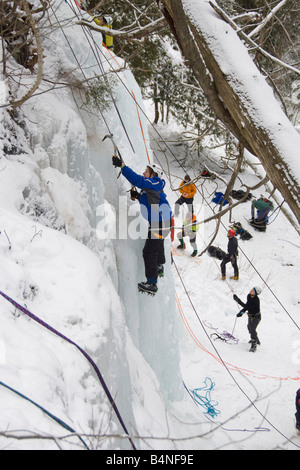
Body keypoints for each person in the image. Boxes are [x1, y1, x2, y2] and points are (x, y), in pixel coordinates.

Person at [112, 156, 172, 295]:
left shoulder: (155, 182)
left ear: (153, 174)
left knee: (149, 251)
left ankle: (152, 283)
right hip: (161, 222)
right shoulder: (152, 187)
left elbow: (138, 180)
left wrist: (122, 166)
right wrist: (138, 196)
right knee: (157, 244)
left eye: (146, 171)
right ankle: (159, 266)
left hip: (160, 223)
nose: (144, 172)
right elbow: (149, 200)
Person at [233, 286, 262, 352]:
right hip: (251, 316)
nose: (251, 290)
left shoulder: (256, 301)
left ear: (255, 293)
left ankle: (254, 344)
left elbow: (246, 307)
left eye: (253, 290)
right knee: (249, 327)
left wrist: (238, 301)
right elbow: (246, 306)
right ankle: (256, 339)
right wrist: (241, 311)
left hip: (256, 317)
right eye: (252, 289)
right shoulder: (249, 296)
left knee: (252, 329)